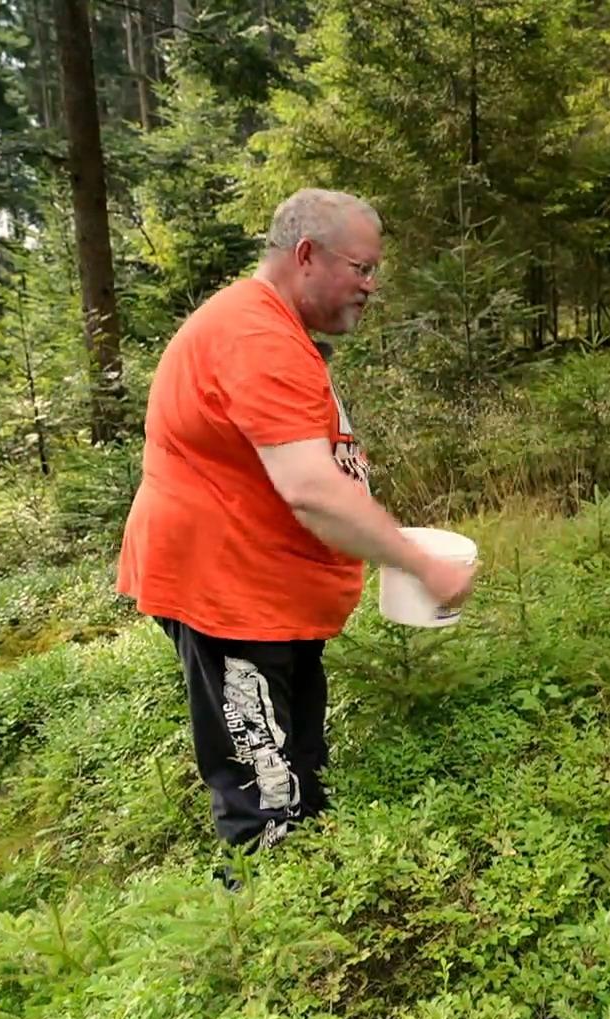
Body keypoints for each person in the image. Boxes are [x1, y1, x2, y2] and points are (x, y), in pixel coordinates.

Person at [116, 188, 475, 854]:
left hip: (268, 595)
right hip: (227, 597)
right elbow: (309, 489)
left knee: (299, 759)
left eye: (375, 271)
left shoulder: (275, 329)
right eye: (360, 269)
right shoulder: (254, 335)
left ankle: (313, 875)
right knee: (266, 793)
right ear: (306, 255)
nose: (371, 286)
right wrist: (420, 563)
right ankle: (270, 919)